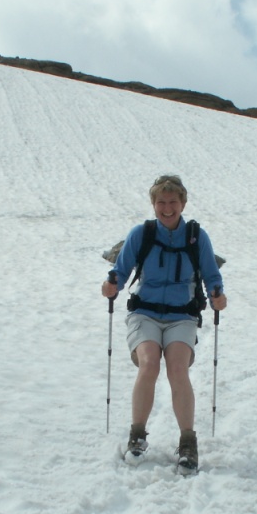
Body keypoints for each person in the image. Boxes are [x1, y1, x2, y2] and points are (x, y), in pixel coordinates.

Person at [101, 174, 227, 472]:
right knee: (149, 364)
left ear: (183, 204)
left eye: (173, 202)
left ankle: (188, 443)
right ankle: (136, 436)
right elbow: (121, 271)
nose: (167, 208)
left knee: (177, 368)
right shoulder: (141, 234)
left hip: (182, 316)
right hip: (144, 313)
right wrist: (111, 286)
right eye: (161, 202)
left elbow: (212, 276)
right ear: (153, 204)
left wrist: (217, 295)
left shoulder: (197, 237)